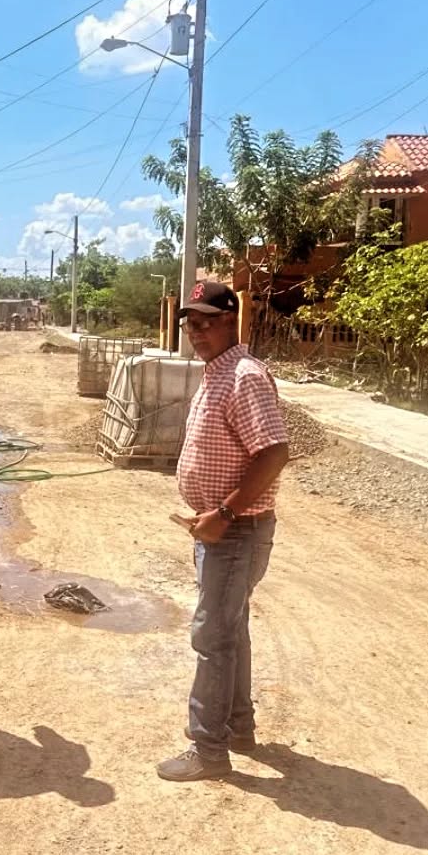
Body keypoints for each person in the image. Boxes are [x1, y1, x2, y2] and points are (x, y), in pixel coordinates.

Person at [157, 281, 290, 782]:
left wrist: (226, 514)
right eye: (190, 324)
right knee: (231, 629)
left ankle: (208, 749)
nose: (197, 331)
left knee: (212, 637)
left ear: (231, 320)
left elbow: (274, 452)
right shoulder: (217, 372)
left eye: (206, 322)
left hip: (236, 530)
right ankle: (237, 725)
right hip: (222, 528)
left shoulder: (243, 377)